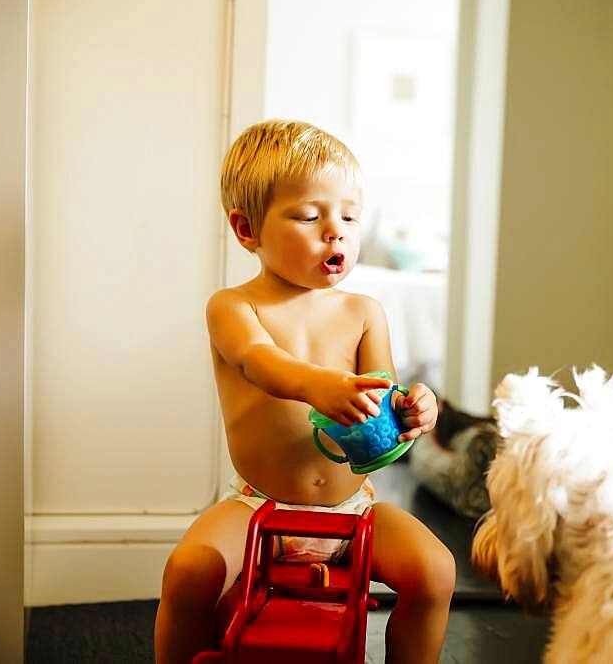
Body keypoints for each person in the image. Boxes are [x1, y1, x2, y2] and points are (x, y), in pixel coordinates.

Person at [154, 120, 455, 664]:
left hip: (352, 511)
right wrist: (318, 384)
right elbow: (258, 362)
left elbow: (382, 397)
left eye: (349, 216)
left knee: (436, 570)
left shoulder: (365, 313)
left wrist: (413, 409)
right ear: (247, 229)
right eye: (309, 216)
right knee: (188, 572)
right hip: (257, 507)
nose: (335, 230)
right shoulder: (234, 306)